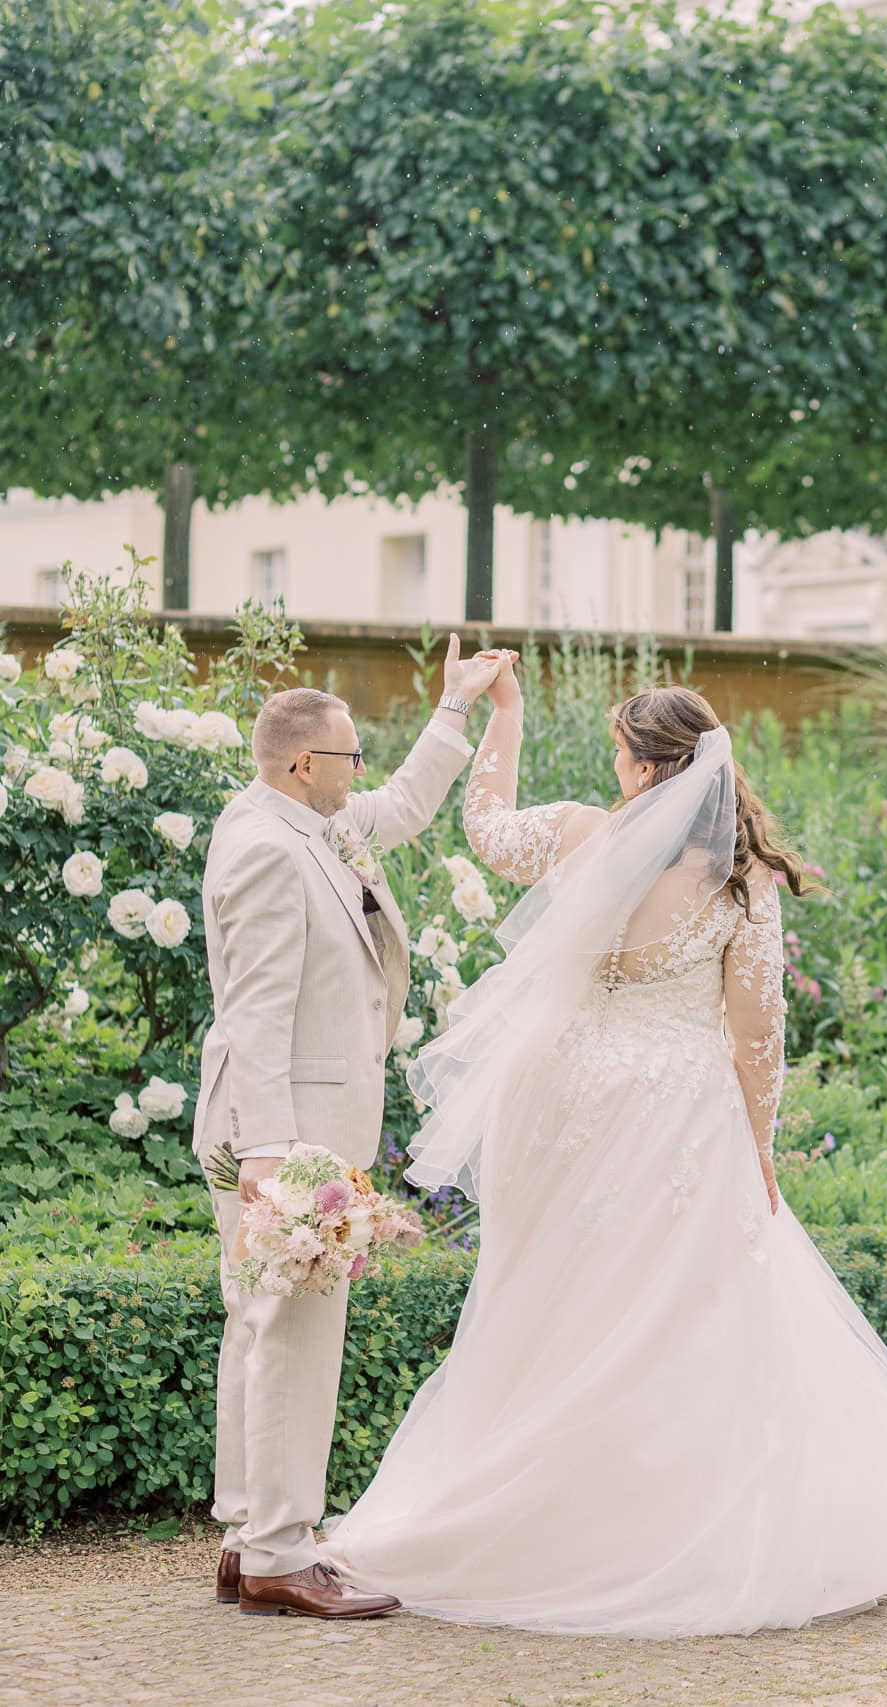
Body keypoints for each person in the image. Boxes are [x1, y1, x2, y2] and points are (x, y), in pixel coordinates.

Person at [319, 657, 887, 1637]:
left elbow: (483, 826)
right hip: (675, 1104)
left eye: (621, 753)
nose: (617, 768)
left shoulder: (583, 837)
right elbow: (758, 1039)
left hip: (558, 1098)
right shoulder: (738, 886)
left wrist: (502, 711)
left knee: (547, 1299)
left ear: (642, 765)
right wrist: (758, 1147)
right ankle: (663, 1526)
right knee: (677, 1309)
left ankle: (523, 1513)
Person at [192, 636, 501, 1620]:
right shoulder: (267, 853)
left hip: (291, 1128)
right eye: (348, 756)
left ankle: (251, 1535)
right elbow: (255, 1007)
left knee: (260, 1324)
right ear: (299, 763)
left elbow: (403, 805)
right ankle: (284, 1553)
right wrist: (271, 1156)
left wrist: (453, 709)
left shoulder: (311, 823)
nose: (360, 769)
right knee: (293, 1334)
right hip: (286, 1136)